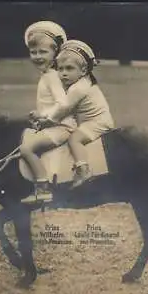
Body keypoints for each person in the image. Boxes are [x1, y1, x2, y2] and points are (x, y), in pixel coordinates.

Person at [18, 21, 93, 204]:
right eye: (33, 52)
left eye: (43, 52)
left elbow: (62, 103)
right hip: (55, 125)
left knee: (26, 149)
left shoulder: (52, 77)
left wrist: (45, 117)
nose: (37, 56)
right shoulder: (48, 75)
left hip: (62, 127)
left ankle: (42, 187)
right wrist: (40, 113)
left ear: (56, 53)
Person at [36, 40, 115, 189]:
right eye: (60, 69)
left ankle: (83, 170)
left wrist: (46, 121)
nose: (64, 73)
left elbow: (62, 109)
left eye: (69, 68)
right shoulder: (80, 82)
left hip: (97, 122)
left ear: (84, 70)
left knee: (74, 140)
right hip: (90, 121)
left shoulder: (77, 89)